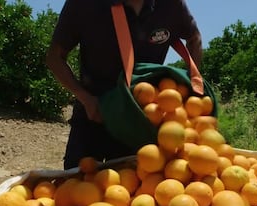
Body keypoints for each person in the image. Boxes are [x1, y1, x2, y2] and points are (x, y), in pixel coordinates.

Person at [46, 0, 202, 169]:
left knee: (135, 190)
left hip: (140, 118)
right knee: (77, 186)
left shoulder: (171, 5)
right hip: (94, 113)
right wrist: (85, 98)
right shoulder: (84, 4)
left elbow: (194, 38)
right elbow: (55, 57)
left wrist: (188, 86)